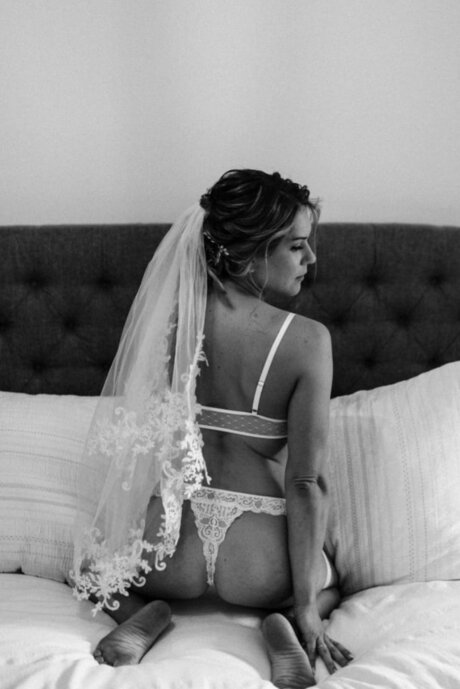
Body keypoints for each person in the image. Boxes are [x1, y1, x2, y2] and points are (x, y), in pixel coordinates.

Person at [70, 169, 353, 688]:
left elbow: (144, 444)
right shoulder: (307, 340)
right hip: (260, 561)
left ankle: (146, 612)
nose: (311, 259)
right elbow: (306, 482)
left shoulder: (171, 321)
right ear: (249, 255)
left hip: (169, 551)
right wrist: (310, 605)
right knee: (336, 581)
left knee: (90, 571)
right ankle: (285, 623)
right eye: (296, 246)